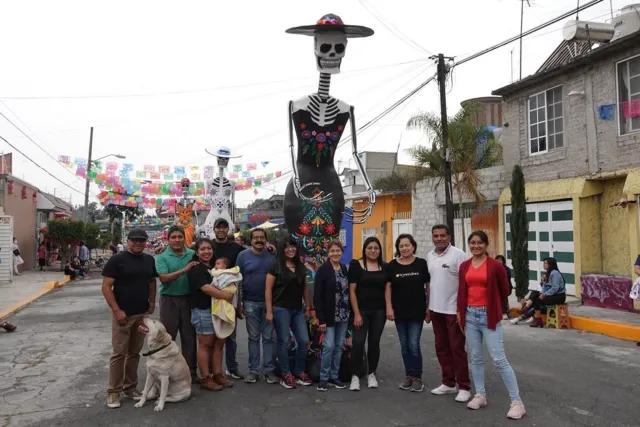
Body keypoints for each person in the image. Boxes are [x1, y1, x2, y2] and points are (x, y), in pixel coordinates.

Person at [458, 231, 525, 420]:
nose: (476, 246)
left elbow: (505, 289)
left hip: (488, 316)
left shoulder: (495, 266)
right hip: (470, 315)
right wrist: (460, 315)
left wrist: (494, 306)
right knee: (476, 358)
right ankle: (480, 395)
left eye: (479, 243)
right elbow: (462, 291)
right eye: (472, 243)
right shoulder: (464, 266)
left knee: (499, 359)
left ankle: (517, 402)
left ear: (486, 244)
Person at [101, 228, 158, 409]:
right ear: (128, 241)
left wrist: (152, 302)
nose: (138, 243)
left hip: (141, 315)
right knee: (119, 353)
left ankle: (130, 387)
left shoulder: (149, 259)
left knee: (134, 353)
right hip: (123, 316)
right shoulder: (117, 260)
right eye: (135, 240)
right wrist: (117, 310)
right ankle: (113, 392)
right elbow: (106, 287)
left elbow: (152, 281)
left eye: (141, 240)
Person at [426, 224, 472, 402]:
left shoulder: (459, 255)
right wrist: (428, 306)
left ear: (449, 237)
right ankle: (448, 383)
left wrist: (462, 309)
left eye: (442, 235)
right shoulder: (430, 256)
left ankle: (464, 386)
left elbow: (466, 282)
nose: (439, 238)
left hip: (453, 311)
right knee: (441, 348)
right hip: (436, 310)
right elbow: (430, 283)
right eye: (435, 235)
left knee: (457, 349)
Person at [187, 238, 235, 391]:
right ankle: (205, 377)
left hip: (219, 311)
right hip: (203, 310)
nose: (206, 251)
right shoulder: (196, 268)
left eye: (209, 248)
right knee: (205, 344)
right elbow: (205, 288)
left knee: (219, 344)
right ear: (197, 252)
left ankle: (217, 374)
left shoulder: (216, 268)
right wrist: (226, 296)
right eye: (202, 249)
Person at [265, 237, 312, 389]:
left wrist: (309, 308)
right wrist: (269, 311)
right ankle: (285, 374)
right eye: (287, 247)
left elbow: (305, 288)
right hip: (281, 309)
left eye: (293, 246)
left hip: (298, 309)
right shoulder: (275, 266)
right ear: (282, 249)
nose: (290, 249)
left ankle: (299, 371)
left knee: (304, 341)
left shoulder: (300, 266)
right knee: (284, 342)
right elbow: (268, 289)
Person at [155, 225, 199, 382]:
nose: (177, 240)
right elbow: (164, 278)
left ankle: (191, 372)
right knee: (167, 337)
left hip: (189, 299)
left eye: (180, 237)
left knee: (189, 337)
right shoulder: (161, 257)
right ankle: (165, 372)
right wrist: (185, 269)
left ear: (184, 238)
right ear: (168, 240)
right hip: (169, 300)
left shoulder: (193, 254)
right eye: (173, 237)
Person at [386, 234, 430, 393]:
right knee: (404, 346)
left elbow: (427, 286)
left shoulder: (421, 264)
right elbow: (388, 288)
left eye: (407, 245)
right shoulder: (392, 265)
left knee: (413, 344)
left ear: (413, 246)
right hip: (399, 312)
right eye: (401, 246)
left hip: (416, 311)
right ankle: (409, 376)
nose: (404, 248)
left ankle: (417, 378)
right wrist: (389, 308)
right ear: (398, 248)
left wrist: (428, 307)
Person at [347, 236, 389, 391]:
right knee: (358, 343)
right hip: (361, 310)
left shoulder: (384, 266)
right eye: (370, 248)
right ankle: (355, 376)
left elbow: (387, 289)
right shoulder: (356, 265)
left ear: (380, 250)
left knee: (374, 343)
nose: (373, 251)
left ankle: (371, 373)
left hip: (379, 311)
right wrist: (356, 313)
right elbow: (352, 291)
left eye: (376, 248)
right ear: (364, 249)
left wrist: (389, 308)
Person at [236, 228, 277, 384]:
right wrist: (239, 303)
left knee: (268, 338)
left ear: (266, 239)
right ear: (250, 240)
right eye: (256, 238)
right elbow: (237, 280)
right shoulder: (242, 256)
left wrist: (274, 248)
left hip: (269, 303)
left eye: (262, 238)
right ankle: (253, 371)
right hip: (250, 302)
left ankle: (269, 371)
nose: (259, 240)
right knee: (253, 337)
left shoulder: (272, 255)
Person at [211, 218, 246, 380]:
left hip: (231, 292)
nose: (221, 230)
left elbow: (250, 254)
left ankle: (232, 367)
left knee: (230, 333)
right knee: (212, 335)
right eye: (218, 227)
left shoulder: (237, 248)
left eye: (224, 228)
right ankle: (212, 370)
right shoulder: (208, 246)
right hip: (212, 294)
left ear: (228, 230)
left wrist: (270, 249)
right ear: (214, 229)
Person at [313, 239, 349, 392]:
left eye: (338, 250)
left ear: (342, 252)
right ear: (328, 253)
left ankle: (334, 376)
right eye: (332, 251)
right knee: (328, 346)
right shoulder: (323, 270)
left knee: (339, 346)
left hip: (344, 315)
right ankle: (324, 378)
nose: (335, 253)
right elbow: (318, 297)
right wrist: (321, 319)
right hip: (329, 316)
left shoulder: (344, 268)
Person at [524, 257, 566, 328]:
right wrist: (542, 293)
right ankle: (535, 317)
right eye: (544, 263)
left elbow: (555, 288)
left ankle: (536, 318)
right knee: (536, 295)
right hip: (552, 294)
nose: (544, 265)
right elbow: (544, 286)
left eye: (545, 263)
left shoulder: (554, 273)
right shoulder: (547, 273)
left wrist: (545, 294)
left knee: (537, 300)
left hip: (559, 296)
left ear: (550, 264)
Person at [495, 255, 513, 320]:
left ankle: (504, 313)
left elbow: (506, 281)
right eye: (497, 260)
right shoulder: (493, 268)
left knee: (502, 296)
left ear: (503, 261)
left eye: (500, 260)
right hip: (496, 288)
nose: (499, 261)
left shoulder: (506, 269)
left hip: (506, 287)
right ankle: (505, 311)